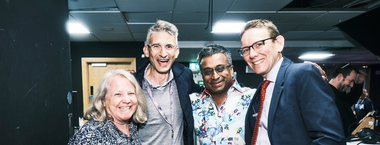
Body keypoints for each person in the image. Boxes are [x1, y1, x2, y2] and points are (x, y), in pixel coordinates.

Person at [241, 19, 345, 144]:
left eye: (259, 44)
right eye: (246, 49)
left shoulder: (302, 74)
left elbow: (331, 138)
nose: (252, 54)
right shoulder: (262, 89)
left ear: (279, 43)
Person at [134, 20, 203, 145]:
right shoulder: (133, 85)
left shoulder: (184, 76)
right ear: (146, 50)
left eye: (169, 46)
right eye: (156, 46)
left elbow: (207, 93)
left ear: (176, 51)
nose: (163, 53)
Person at [190, 44, 256, 144]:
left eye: (220, 69)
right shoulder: (192, 102)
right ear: (202, 76)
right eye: (208, 72)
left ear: (231, 69)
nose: (215, 76)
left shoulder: (253, 97)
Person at [68, 69, 147, 144]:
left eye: (131, 93)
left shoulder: (132, 126)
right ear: (103, 100)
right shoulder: (89, 135)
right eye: (118, 94)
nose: (127, 100)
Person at [329, 64, 367, 137]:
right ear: (339, 77)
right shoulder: (327, 95)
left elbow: (351, 98)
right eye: (351, 81)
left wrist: (358, 84)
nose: (352, 85)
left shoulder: (340, 94)